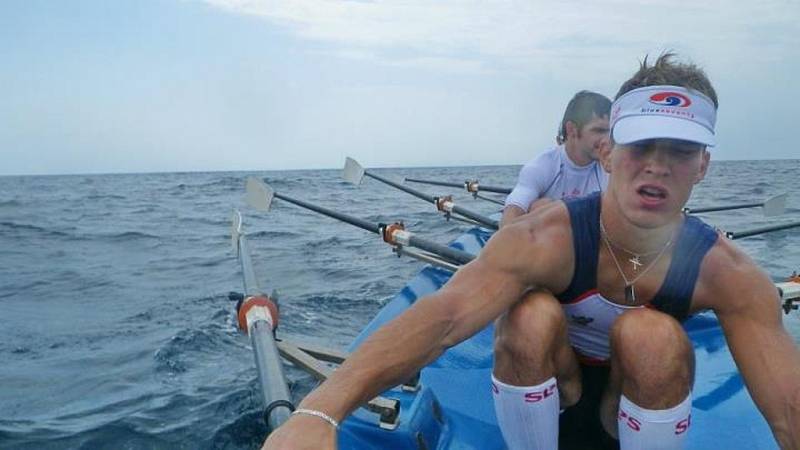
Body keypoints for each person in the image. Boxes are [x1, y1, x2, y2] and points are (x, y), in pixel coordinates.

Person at [262, 54, 800, 450]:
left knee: (651, 334)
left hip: (635, 400)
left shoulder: (728, 273)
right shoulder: (548, 237)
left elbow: (788, 409)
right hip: (553, 386)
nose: (657, 166)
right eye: (641, 146)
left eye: (680, 151)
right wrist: (320, 411)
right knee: (526, 315)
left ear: (702, 166)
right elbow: (445, 315)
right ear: (609, 153)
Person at [501, 91, 611, 228]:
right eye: (599, 131)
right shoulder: (542, 166)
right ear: (572, 130)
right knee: (542, 206)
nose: (607, 140)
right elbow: (512, 215)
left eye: (610, 132)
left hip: (592, 240)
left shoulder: (611, 169)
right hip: (550, 242)